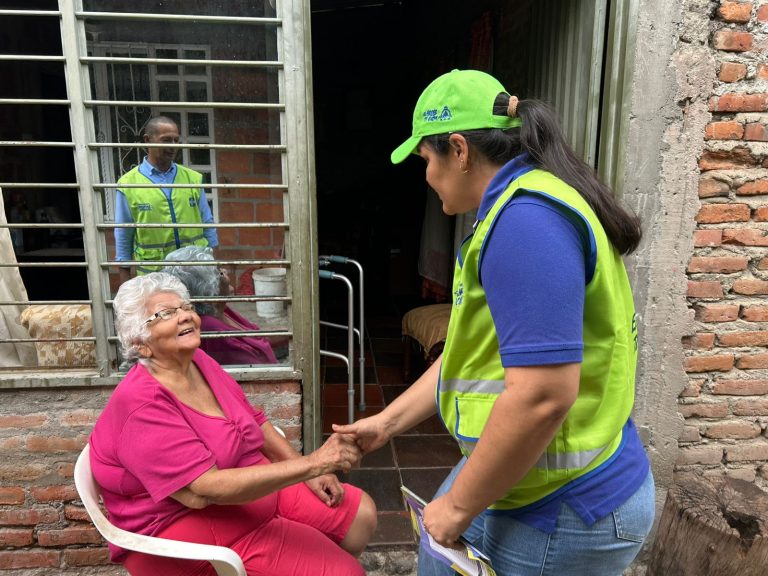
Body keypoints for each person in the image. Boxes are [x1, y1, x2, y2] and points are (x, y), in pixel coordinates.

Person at [334, 69, 654, 575]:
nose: (426, 176)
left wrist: (457, 507)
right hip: (527, 481)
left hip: (562, 509)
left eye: (426, 159)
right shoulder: (519, 205)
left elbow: (542, 396)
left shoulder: (526, 223)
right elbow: (473, 355)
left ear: (459, 151)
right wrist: (385, 424)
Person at [89, 273, 376, 576]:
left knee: (362, 516)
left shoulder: (197, 360)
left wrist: (307, 471)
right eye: (166, 313)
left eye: (185, 307)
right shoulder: (141, 405)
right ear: (141, 344)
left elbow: (253, 420)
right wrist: (314, 464)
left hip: (244, 488)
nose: (186, 316)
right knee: (347, 573)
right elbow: (205, 492)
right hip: (178, 524)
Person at [114, 116, 218, 282]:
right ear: (148, 140)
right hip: (155, 275)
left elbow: (207, 223)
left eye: (176, 140)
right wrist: (124, 281)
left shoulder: (192, 178)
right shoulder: (128, 184)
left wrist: (215, 267)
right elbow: (123, 235)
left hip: (195, 272)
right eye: (166, 140)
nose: (173, 146)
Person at [163, 245, 283, 365]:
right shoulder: (211, 328)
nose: (225, 271)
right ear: (209, 289)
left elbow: (258, 337)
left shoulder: (220, 309)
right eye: (219, 272)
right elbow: (251, 367)